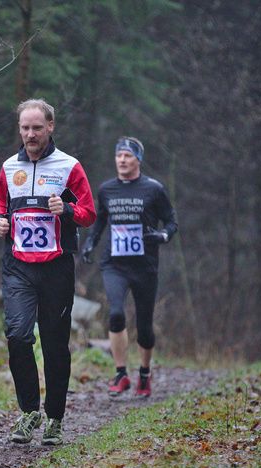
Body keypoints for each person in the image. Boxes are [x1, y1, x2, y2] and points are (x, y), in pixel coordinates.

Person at [0, 98, 96, 445]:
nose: (30, 134)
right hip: (18, 266)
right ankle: (29, 411)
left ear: (50, 127)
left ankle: (54, 418)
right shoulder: (9, 167)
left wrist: (66, 209)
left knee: (54, 344)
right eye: (25, 128)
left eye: (37, 128)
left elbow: (89, 213)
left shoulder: (69, 167)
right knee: (18, 336)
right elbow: (0, 204)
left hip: (56, 268)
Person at [81, 137, 177, 398]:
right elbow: (100, 221)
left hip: (145, 266)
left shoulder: (154, 189)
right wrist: (90, 243)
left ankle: (144, 373)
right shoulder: (106, 189)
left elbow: (171, 222)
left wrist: (163, 236)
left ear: (138, 160)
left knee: (144, 327)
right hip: (115, 264)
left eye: (127, 156)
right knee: (115, 314)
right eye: (118, 155)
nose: (122, 160)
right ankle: (121, 373)